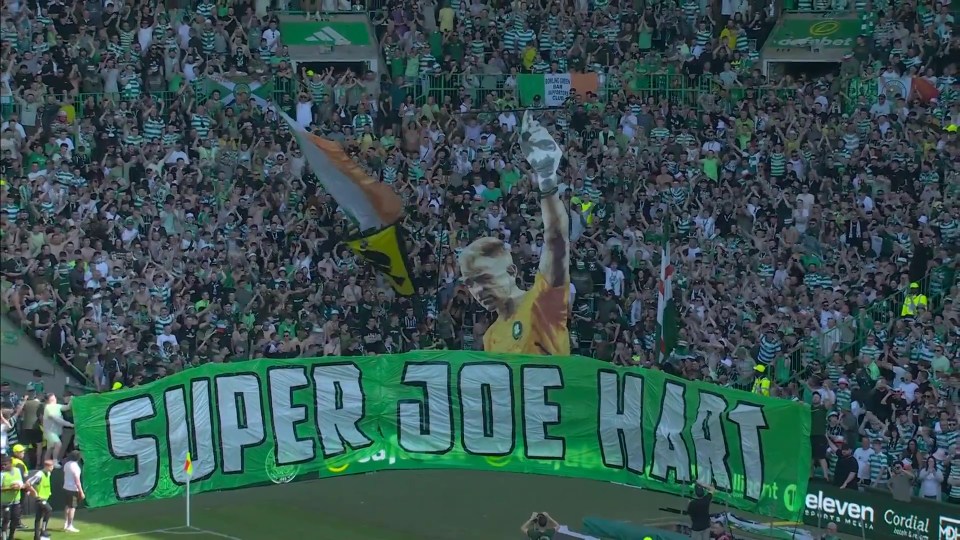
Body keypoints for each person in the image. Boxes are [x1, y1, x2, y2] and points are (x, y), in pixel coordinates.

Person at [459, 113, 570, 356]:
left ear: (512, 271)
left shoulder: (542, 302)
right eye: (470, 283)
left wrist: (547, 179)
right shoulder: (490, 338)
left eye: (483, 278)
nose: (478, 290)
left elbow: (556, 239)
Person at [24, 461, 54, 540]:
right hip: (40, 499)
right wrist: (33, 492)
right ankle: (43, 531)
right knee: (49, 510)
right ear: (47, 466)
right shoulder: (39, 474)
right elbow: (28, 483)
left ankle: (36, 537)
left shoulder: (48, 474)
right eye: (51, 466)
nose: (52, 468)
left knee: (38, 517)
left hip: (45, 498)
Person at [61, 451, 83, 533]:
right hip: (73, 489)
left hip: (66, 488)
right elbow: (77, 481)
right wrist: (81, 492)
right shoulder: (76, 467)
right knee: (72, 508)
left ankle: (66, 523)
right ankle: (70, 525)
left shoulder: (66, 464)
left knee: (67, 506)